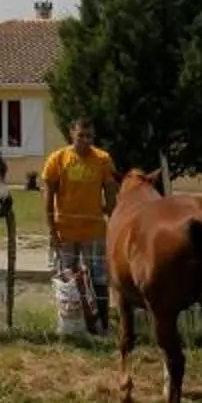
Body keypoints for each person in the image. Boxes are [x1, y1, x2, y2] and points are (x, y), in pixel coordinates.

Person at [40, 117, 119, 331]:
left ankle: (101, 325)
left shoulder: (102, 159)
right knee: (68, 277)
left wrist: (111, 214)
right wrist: (51, 229)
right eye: (81, 135)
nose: (85, 140)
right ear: (71, 134)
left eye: (89, 136)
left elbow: (110, 190)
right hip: (65, 230)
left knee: (99, 277)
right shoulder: (58, 159)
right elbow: (47, 194)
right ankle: (72, 325)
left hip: (94, 231)